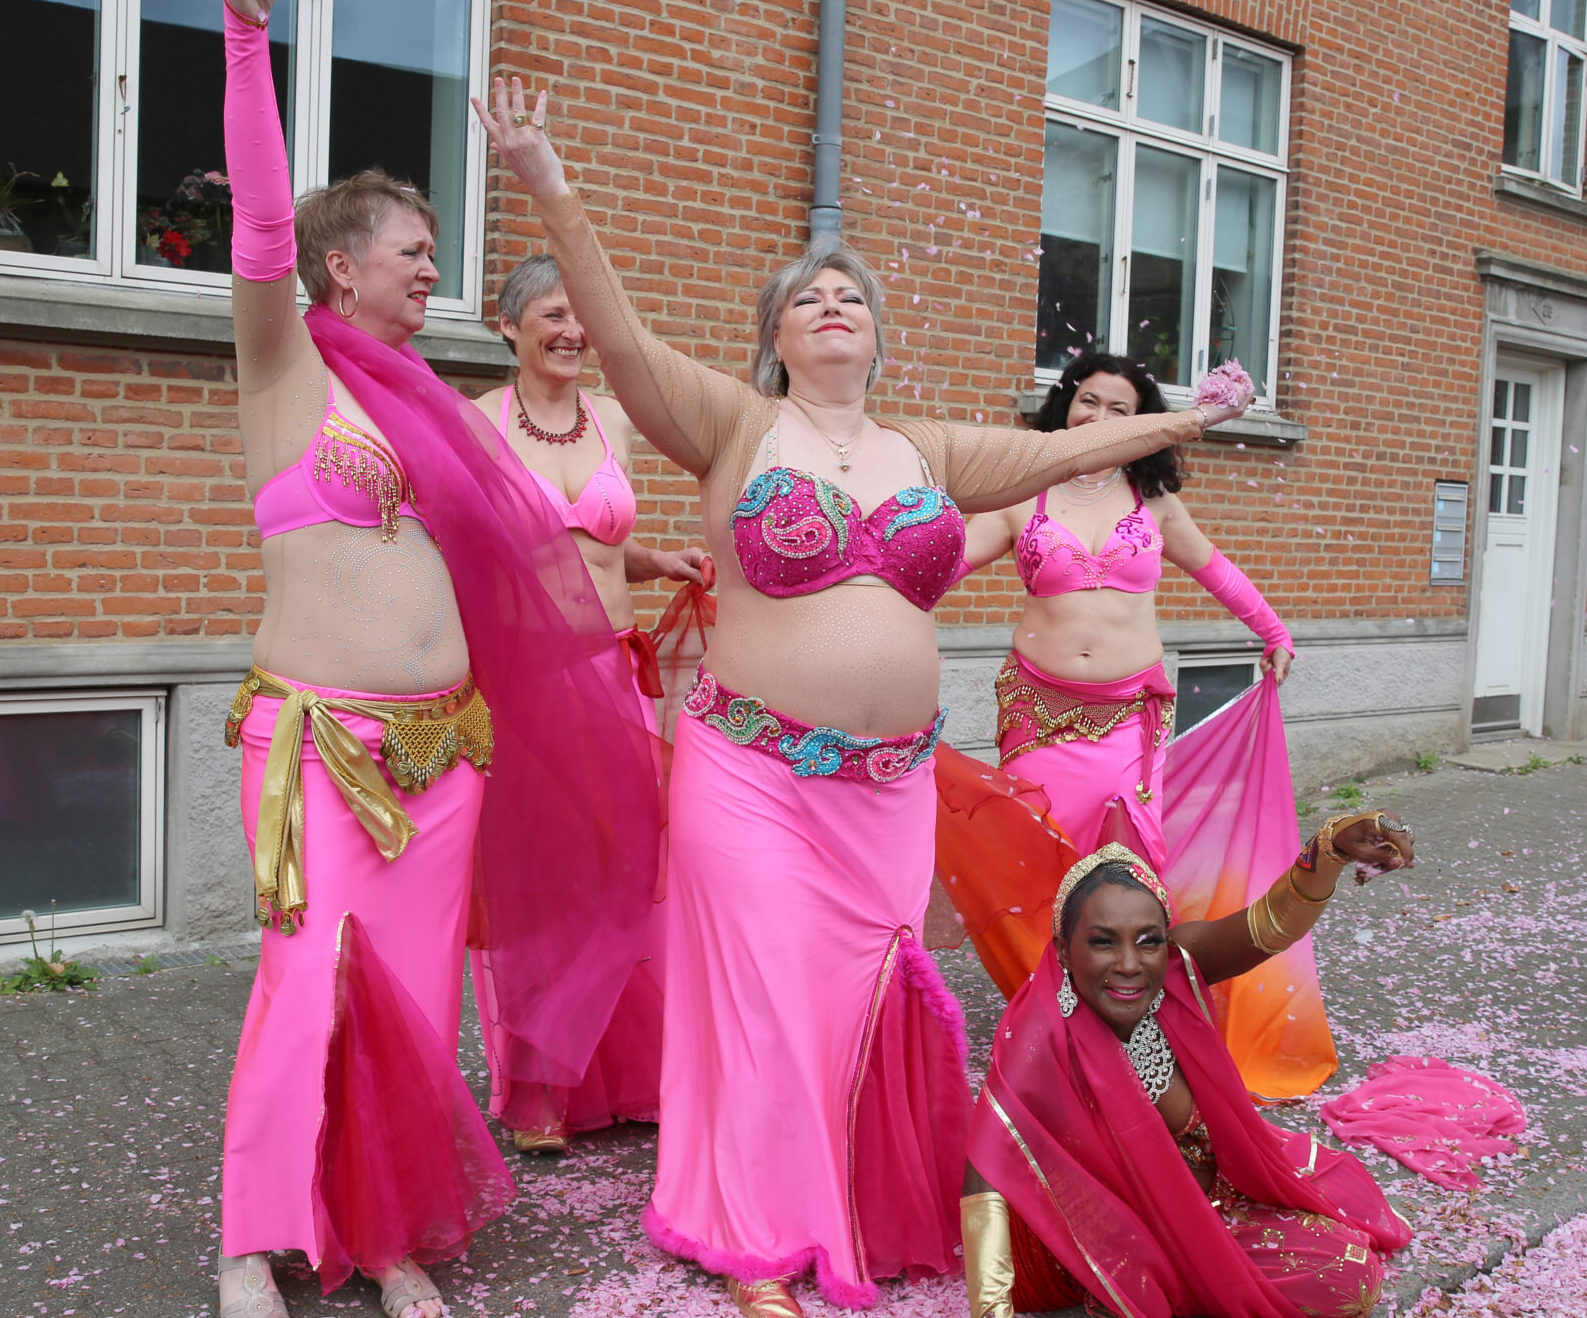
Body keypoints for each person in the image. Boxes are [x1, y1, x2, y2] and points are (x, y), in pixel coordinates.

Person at [472, 79, 1252, 1317]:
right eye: (805, 298)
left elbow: (1064, 451)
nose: (831, 305)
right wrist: (548, 182)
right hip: (751, 774)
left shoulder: (926, 453)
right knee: (772, 996)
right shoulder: (733, 424)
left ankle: (837, 1192)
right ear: (776, 336)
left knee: (853, 1001)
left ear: (876, 338)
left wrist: (1189, 417)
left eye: (852, 297)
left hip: (886, 794)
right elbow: (618, 339)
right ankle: (761, 1245)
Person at [216, 8, 658, 1317]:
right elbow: (254, 220)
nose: (433, 271)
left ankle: (384, 1229)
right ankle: (253, 1237)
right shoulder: (284, 372)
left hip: (442, 754)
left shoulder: (427, 404)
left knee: (409, 1003)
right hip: (320, 746)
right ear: (339, 266)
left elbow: (518, 563)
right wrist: (248, 40)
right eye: (414, 251)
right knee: (307, 983)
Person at [960, 813, 1416, 1318]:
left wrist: (1331, 846)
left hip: (1215, 1198)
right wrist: (990, 1310)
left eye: (1148, 939)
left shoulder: (1177, 967)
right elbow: (986, 1174)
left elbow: (1272, 923)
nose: (1131, 964)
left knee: (1346, 1224)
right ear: (1065, 951)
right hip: (1112, 1240)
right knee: (1343, 1278)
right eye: (1103, 941)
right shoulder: (1041, 1032)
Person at [470, 254, 706, 1154]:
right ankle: (538, 1089)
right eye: (553, 314)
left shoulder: (611, 419)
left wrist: (659, 562)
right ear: (509, 325)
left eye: (582, 317)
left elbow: (605, 543)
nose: (573, 331)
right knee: (547, 878)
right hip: (528, 683)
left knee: (627, 873)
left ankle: (632, 1072)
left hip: (615, 673)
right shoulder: (477, 423)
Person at [959, 352, 1294, 865]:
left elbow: (1216, 570)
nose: (1099, 418)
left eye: (1120, 410)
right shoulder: (1020, 496)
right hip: (1039, 713)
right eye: (1088, 401)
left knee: (1124, 864)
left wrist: (1275, 634)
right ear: (1065, 406)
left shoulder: (1155, 502)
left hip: (1128, 717)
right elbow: (943, 567)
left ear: (1142, 425)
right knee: (1041, 853)